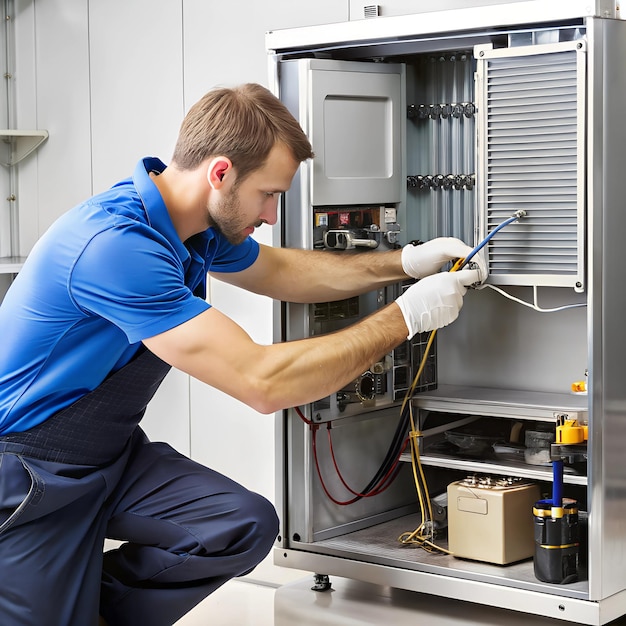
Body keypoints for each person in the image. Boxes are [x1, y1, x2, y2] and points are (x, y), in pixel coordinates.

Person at [0, 83, 483, 626]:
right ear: (221, 172)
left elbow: (281, 271)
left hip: (111, 454)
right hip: (30, 472)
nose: (274, 214)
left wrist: (407, 263)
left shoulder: (192, 227)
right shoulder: (116, 246)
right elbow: (262, 382)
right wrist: (406, 318)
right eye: (269, 194)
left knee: (239, 525)